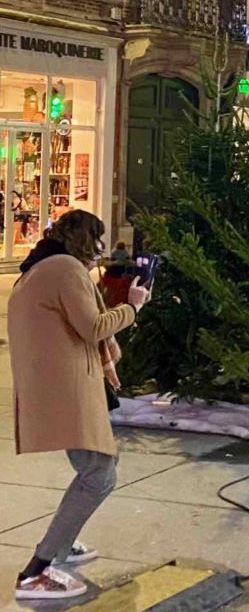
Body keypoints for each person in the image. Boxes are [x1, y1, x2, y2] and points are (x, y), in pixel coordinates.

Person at [7, 210, 151, 600]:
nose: (101, 249)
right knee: (99, 474)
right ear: (86, 240)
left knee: (93, 469)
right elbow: (94, 327)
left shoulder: (38, 269)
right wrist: (133, 307)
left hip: (53, 386)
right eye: (98, 239)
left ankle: (62, 542)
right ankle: (37, 571)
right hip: (66, 389)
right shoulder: (65, 268)